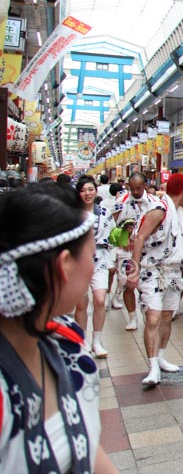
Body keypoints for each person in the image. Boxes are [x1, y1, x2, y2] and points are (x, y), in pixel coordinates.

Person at [0, 183, 117, 472]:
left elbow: (86, 448)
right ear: (64, 265)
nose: (94, 266)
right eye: (91, 255)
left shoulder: (66, 341)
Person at [127, 173, 183, 385]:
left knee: (167, 317)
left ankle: (160, 357)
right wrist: (134, 269)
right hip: (153, 270)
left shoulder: (175, 209)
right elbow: (140, 236)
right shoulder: (160, 210)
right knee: (153, 318)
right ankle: (152, 367)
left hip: (173, 272)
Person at [73, 176, 115, 358]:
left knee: (99, 299)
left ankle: (97, 340)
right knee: (81, 304)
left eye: (90, 189)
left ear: (96, 191)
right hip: (79, 262)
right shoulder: (73, 214)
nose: (87, 193)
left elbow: (113, 236)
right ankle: (82, 341)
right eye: (83, 190)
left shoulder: (105, 213)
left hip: (101, 260)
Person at [111, 172, 156, 330]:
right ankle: (132, 317)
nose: (136, 191)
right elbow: (111, 226)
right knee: (127, 285)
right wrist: (121, 240)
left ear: (145, 186)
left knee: (148, 284)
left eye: (139, 188)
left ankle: (147, 310)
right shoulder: (120, 202)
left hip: (148, 252)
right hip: (126, 252)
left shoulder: (154, 202)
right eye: (132, 188)